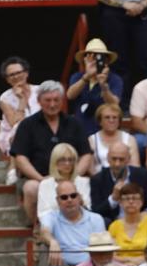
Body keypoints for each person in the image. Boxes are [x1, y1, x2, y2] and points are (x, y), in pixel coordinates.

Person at [10, 81, 92, 225]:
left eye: (56, 100)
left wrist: (72, 176)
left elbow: (86, 154)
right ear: (39, 101)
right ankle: (37, 229)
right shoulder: (27, 125)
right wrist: (43, 180)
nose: (52, 104)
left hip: (70, 177)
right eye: (48, 100)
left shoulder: (74, 123)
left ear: (62, 101)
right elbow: (20, 157)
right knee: (31, 188)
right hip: (37, 177)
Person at [39, 181, 106, 266]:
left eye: (73, 195)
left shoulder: (96, 219)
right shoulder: (51, 216)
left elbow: (101, 250)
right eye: (64, 197)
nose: (69, 200)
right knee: (45, 247)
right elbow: (44, 231)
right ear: (58, 201)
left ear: (79, 197)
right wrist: (53, 241)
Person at [66, 38, 123, 136]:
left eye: (100, 57)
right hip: (81, 127)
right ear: (85, 59)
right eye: (92, 56)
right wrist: (87, 76)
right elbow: (70, 95)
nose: (96, 60)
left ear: (107, 60)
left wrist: (103, 85)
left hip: (104, 128)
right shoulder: (77, 77)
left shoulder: (115, 79)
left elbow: (114, 104)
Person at [90, 140, 147, 223]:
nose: (117, 164)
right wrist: (113, 199)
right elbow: (95, 212)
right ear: (107, 158)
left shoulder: (141, 175)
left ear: (128, 158)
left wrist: (145, 213)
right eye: (114, 159)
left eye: (121, 159)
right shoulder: (98, 179)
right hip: (113, 224)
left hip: (140, 222)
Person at [0, 56, 39, 185]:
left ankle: (14, 168)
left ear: (26, 73)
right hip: (11, 135)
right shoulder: (4, 98)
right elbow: (13, 122)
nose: (15, 77)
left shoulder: (40, 90)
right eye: (11, 75)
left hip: (40, 131)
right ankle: (15, 168)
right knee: (20, 127)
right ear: (7, 79)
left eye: (18, 73)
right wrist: (21, 100)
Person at [107, 182, 147, 266]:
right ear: (120, 202)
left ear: (142, 202)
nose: (131, 201)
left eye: (135, 198)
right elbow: (111, 255)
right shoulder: (114, 226)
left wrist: (134, 262)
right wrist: (127, 264)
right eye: (126, 198)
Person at [36, 143, 92, 218]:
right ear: (55, 162)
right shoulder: (45, 184)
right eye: (63, 160)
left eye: (70, 160)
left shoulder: (83, 182)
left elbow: (88, 210)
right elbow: (42, 213)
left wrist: (81, 204)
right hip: (54, 225)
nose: (67, 163)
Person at [88, 102, 140, 174]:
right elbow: (91, 168)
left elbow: (135, 166)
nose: (111, 120)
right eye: (107, 117)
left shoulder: (130, 139)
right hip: (100, 179)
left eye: (115, 117)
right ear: (100, 121)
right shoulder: (92, 140)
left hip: (125, 180)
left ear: (119, 121)